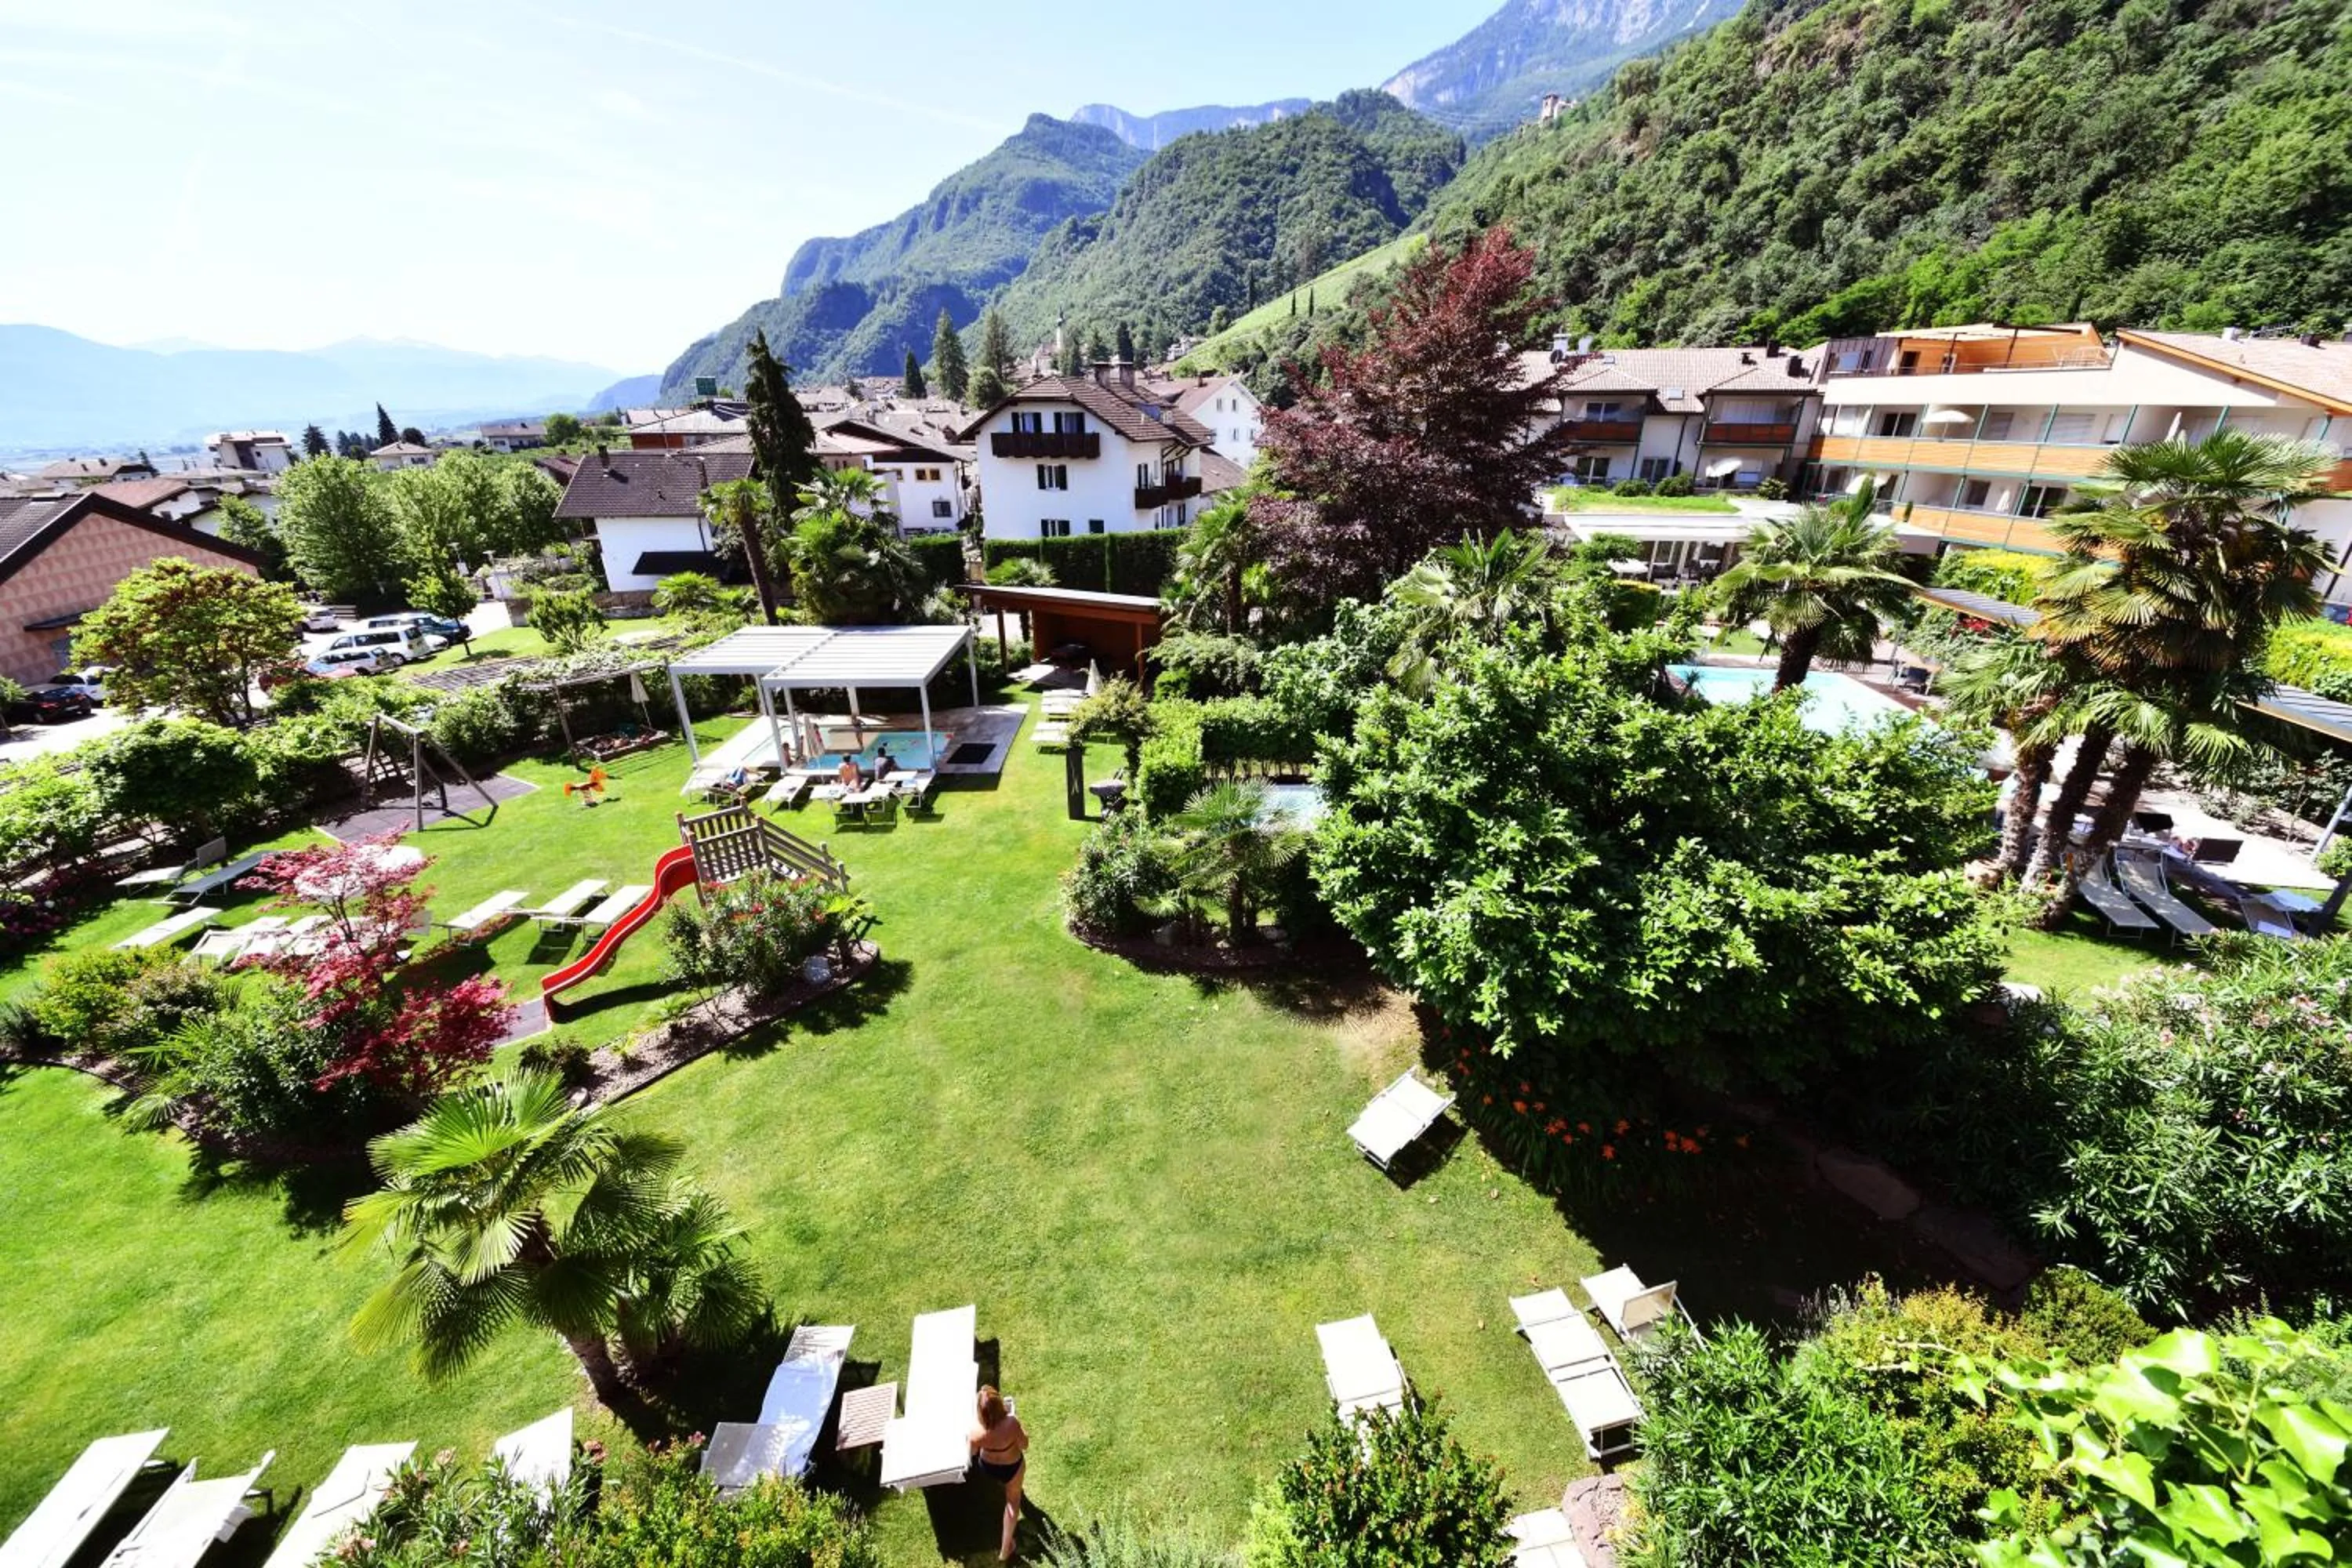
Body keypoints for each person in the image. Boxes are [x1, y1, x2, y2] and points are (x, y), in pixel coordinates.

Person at [970, 1385, 1028, 1562]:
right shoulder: (1011, 1423)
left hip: (989, 1468)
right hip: (1012, 1467)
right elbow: (1025, 1445)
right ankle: (1005, 1549)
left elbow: (972, 1453)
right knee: (1012, 1502)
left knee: (1003, 1490)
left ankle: (1005, 1547)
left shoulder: (975, 1431)